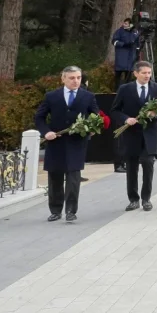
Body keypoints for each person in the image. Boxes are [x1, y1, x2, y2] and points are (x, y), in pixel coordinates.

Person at [34, 66, 100, 222]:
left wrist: (92, 128)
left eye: (78, 77)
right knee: (55, 176)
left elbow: (96, 116)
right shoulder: (51, 96)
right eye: (72, 78)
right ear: (63, 78)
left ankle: (71, 210)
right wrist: (46, 132)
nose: (76, 81)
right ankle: (56, 210)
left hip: (76, 142)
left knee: (73, 177)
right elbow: (39, 117)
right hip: (56, 141)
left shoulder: (88, 96)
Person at [111, 61, 157, 211]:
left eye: (149, 73)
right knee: (132, 167)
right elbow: (115, 110)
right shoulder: (125, 89)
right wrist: (125, 119)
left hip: (151, 134)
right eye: (144, 73)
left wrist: (155, 114)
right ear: (136, 73)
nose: (147, 75)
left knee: (148, 164)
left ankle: (146, 198)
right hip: (131, 134)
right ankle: (133, 199)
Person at [111, 19, 140, 87]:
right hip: (121, 57)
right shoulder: (119, 31)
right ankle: (117, 92)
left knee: (128, 78)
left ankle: (127, 92)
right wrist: (123, 44)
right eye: (124, 23)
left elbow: (137, 44)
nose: (124, 25)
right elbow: (114, 41)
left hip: (130, 59)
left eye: (126, 23)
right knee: (118, 76)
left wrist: (137, 53)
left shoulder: (135, 32)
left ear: (131, 24)